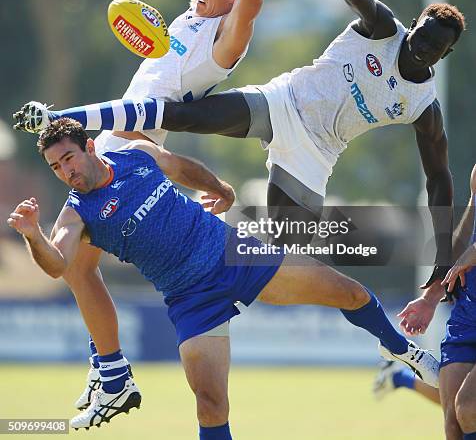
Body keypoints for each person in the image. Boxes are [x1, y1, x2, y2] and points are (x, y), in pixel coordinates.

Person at [13, 0, 304, 411]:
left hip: (125, 141)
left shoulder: (228, 40)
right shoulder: (193, 13)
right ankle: (113, 371)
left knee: (74, 262)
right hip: (124, 134)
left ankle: (113, 371)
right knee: (77, 265)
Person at [16, 0, 465, 274]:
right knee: (176, 113)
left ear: (442, 56)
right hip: (281, 101)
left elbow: (439, 178)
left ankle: (224, 241)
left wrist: (442, 255)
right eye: (421, 32)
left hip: (316, 153)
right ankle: (57, 115)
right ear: (415, 24)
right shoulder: (386, 29)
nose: (420, 44)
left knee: (288, 251)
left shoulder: (423, 107)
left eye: (432, 45)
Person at [8, 118, 440, 437]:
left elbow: (178, 166)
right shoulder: (75, 212)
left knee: (349, 293)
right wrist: (33, 235)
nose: (66, 171)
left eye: (68, 158)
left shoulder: (131, 153)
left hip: (233, 255)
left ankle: (403, 350)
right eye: (55, 167)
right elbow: (59, 263)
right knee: (211, 407)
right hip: (190, 299)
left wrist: (222, 188)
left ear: (88, 146)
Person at [398, 164, 476, 440]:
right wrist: (432, 295)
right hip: (469, 310)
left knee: (468, 407)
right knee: (453, 421)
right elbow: (469, 228)